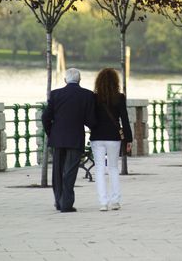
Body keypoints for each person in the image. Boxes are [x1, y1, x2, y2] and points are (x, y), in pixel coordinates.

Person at [42, 68, 96, 213]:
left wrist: (51, 132)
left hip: (57, 139)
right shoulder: (87, 95)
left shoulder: (55, 94)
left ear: (65, 80)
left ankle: (59, 201)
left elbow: (45, 117)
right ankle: (66, 204)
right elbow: (91, 120)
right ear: (79, 80)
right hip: (75, 139)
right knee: (70, 172)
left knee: (57, 172)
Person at [89, 68, 132, 211]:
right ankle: (115, 201)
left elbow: (90, 118)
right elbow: (125, 120)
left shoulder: (93, 97)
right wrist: (129, 139)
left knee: (99, 169)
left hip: (97, 137)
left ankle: (103, 202)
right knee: (113, 168)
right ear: (116, 81)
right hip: (113, 137)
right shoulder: (119, 97)